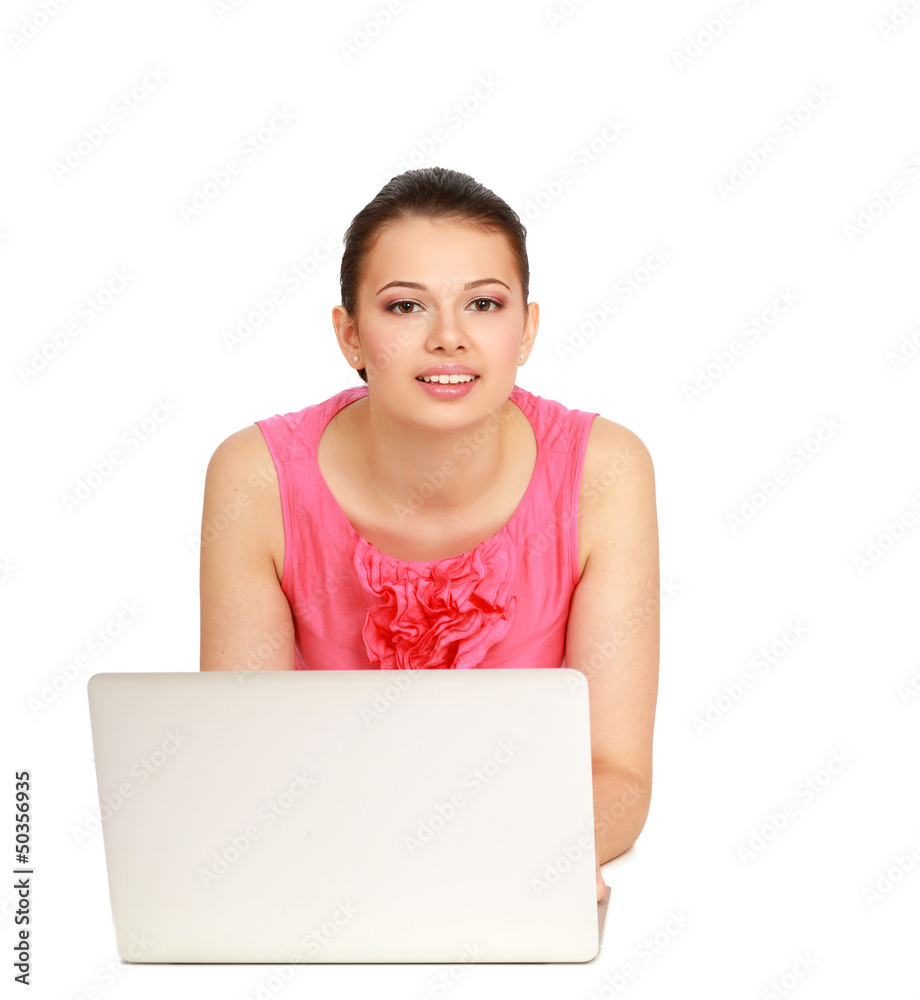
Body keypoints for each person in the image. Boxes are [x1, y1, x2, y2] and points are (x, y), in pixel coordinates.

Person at [199, 167, 659, 904]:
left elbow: (618, 774)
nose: (449, 338)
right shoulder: (254, 476)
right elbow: (243, 768)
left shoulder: (606, 471)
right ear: (350, 334)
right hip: (321, 883)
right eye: (406, 306)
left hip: (511, 880)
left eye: (484, 303)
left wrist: (508, 860)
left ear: (527, 330)